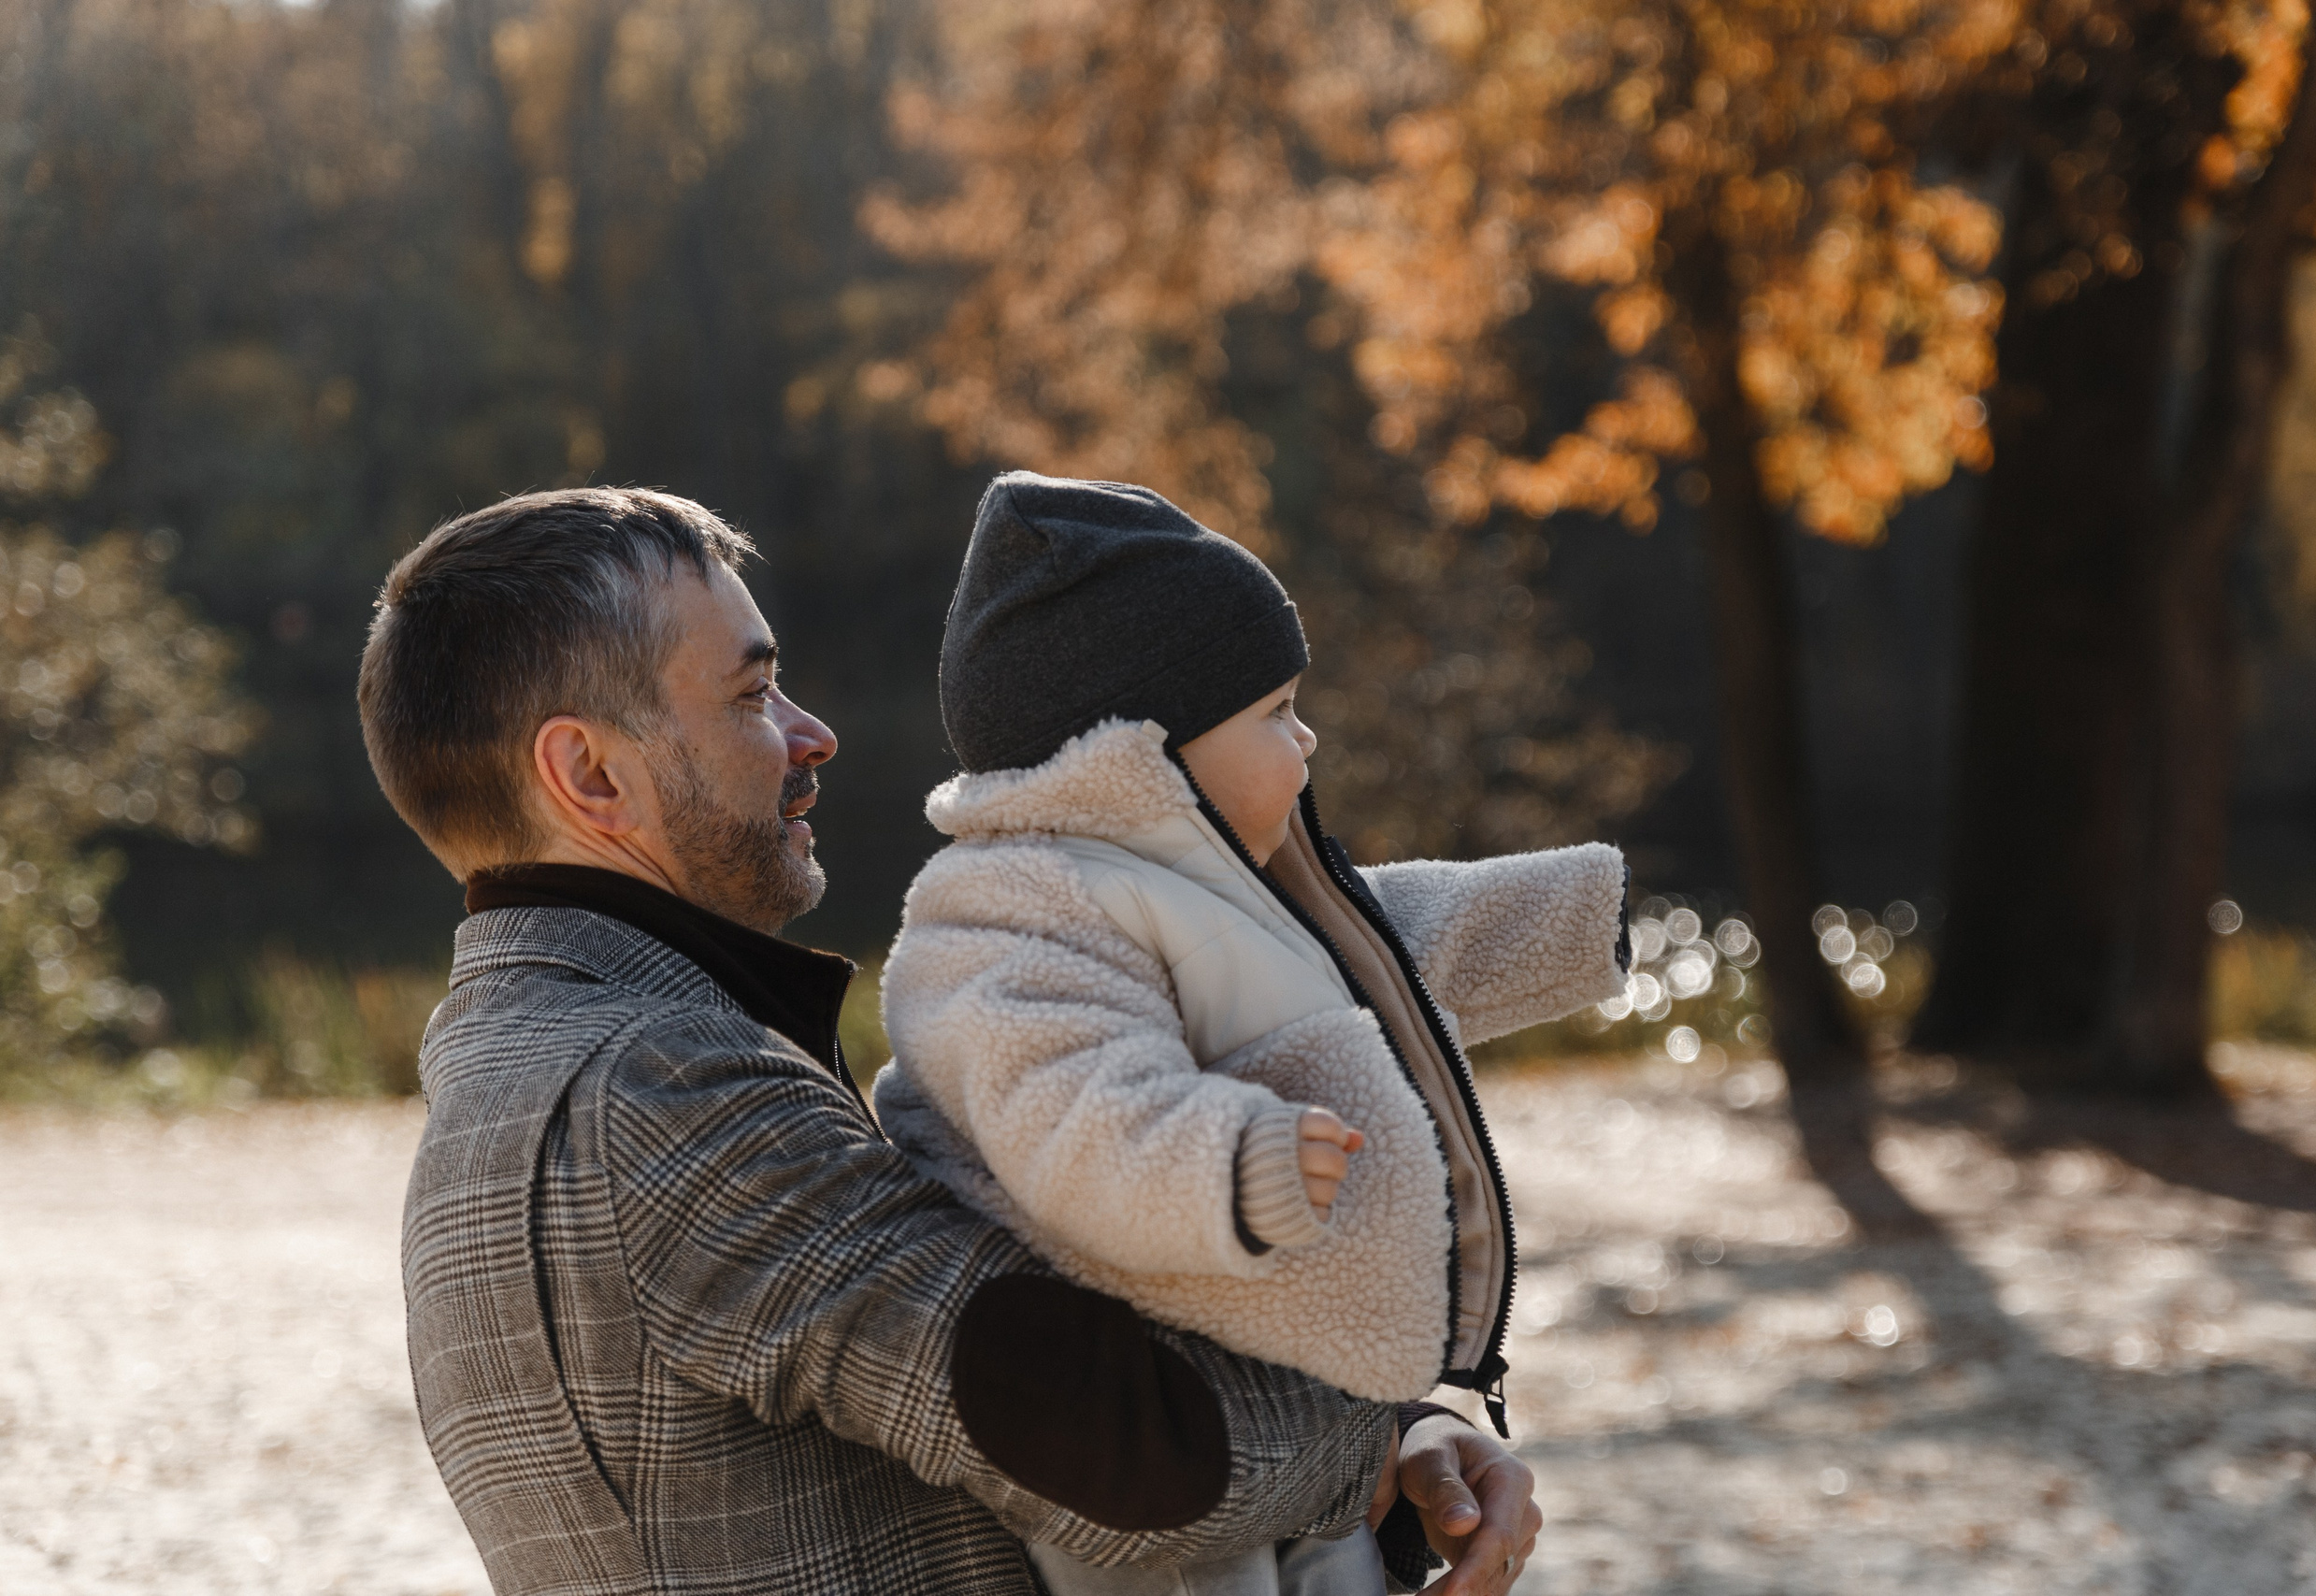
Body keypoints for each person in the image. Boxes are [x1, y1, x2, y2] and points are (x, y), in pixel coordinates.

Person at [356, 485, 1544, 1596]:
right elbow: (1136, 1460)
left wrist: (1400, 1445)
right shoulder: (656, 1092)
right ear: (590, 775)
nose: (812, 735)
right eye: (751, 694)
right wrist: (1375, 1416)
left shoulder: (510, 1074)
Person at [874, 473, 1629, 1596]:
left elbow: (1393, 948)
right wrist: (1224, 1161)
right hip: (1145, 1442)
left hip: (1286, 1406)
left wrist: (1582, 920)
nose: (1308, 735)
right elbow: (1058, 1097)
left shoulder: (1230, 890)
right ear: (1139, 753)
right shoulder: (1006, 909)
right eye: (1275, 711)